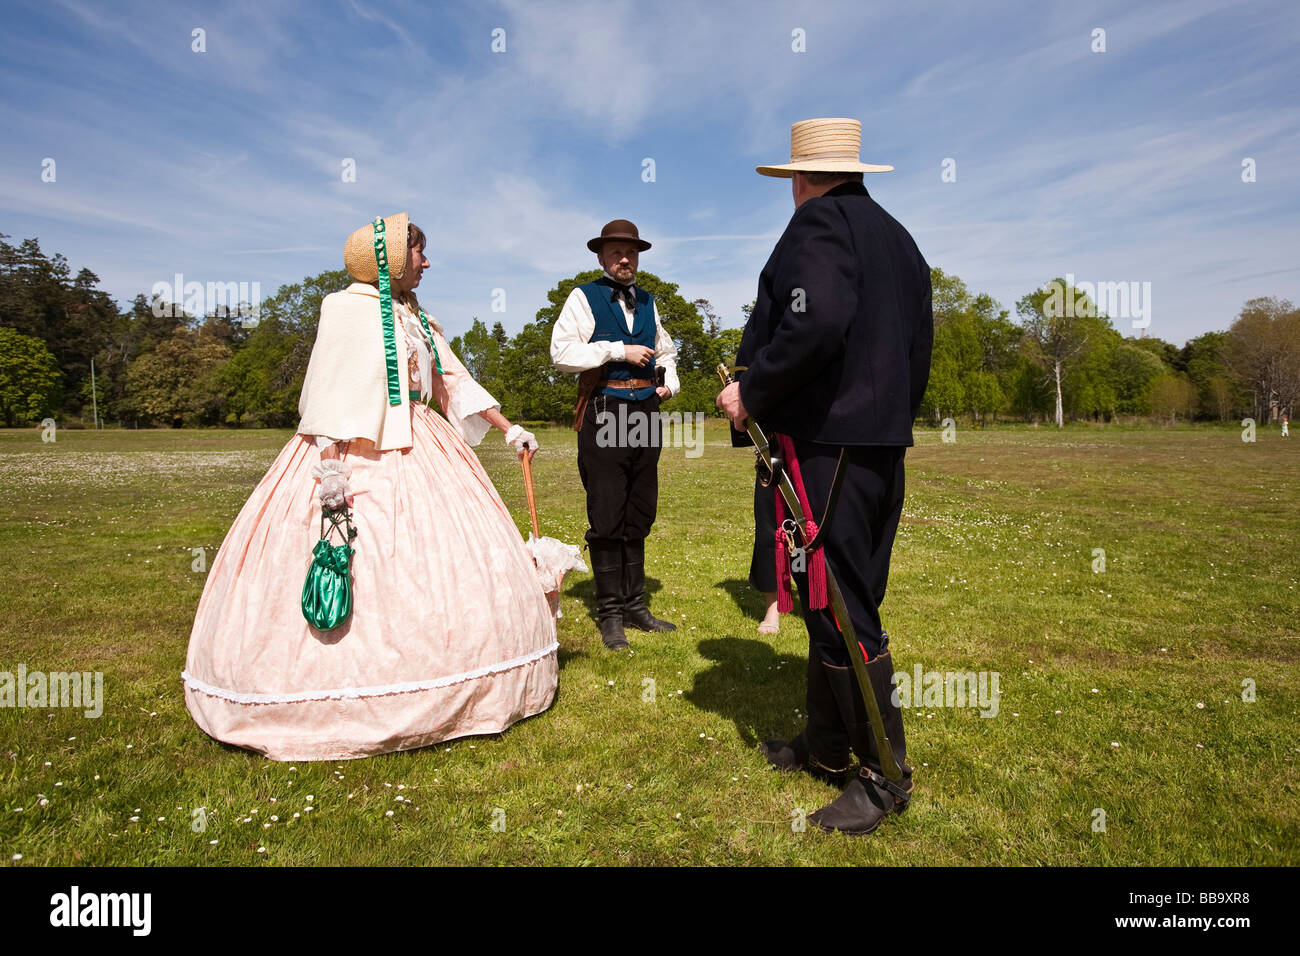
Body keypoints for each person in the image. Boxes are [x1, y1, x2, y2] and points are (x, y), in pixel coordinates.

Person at [183, 212, 558, 761]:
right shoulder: (345, 310)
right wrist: (331, 473)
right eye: (418, 253)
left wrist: (510, 429)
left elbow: (452, 380)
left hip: (425, 445)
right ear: (388, 259)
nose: (426, 263)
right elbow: (333, 392)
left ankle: (464, 683)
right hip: (359, 452)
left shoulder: (417, 318)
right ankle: (335, 699)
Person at [717, 119, 934, 835]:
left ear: (799, 178)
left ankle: (884, 777)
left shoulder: (816, 226)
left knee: (840, 605)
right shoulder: (899, 239)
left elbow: (816, 323)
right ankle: (829, 744)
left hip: (828, 443)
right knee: (834, 597)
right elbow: (914, 349)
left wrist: (754, 392)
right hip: (877, 442)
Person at [549, 220, 681, 650]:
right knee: (608, 511)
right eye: (616, 252)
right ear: (602, 256)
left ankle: (636, 605)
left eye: (631, 252)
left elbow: (667, 350)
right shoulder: (582, 297)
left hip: (645, 409)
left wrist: (669, 382)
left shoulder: (648, 301)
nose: (624, 259)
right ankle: (609, 613)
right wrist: (616, 350)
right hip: (606, 409)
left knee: (639, 509)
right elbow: (562, 353)